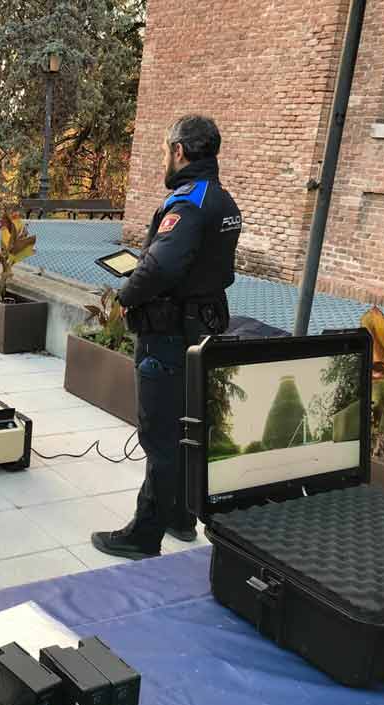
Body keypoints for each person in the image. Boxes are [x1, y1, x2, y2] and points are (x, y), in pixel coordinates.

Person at [91, 115, 241, 560]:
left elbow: (161, 268)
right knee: (187, 430)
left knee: (160, 438)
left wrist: (125, 294)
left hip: (168, 336)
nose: (164, 158)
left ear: (179, 151)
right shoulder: (223, 199)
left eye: (165, 150)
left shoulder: (188, 202)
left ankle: (143, 535)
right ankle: (180, 516)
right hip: (202, 331)